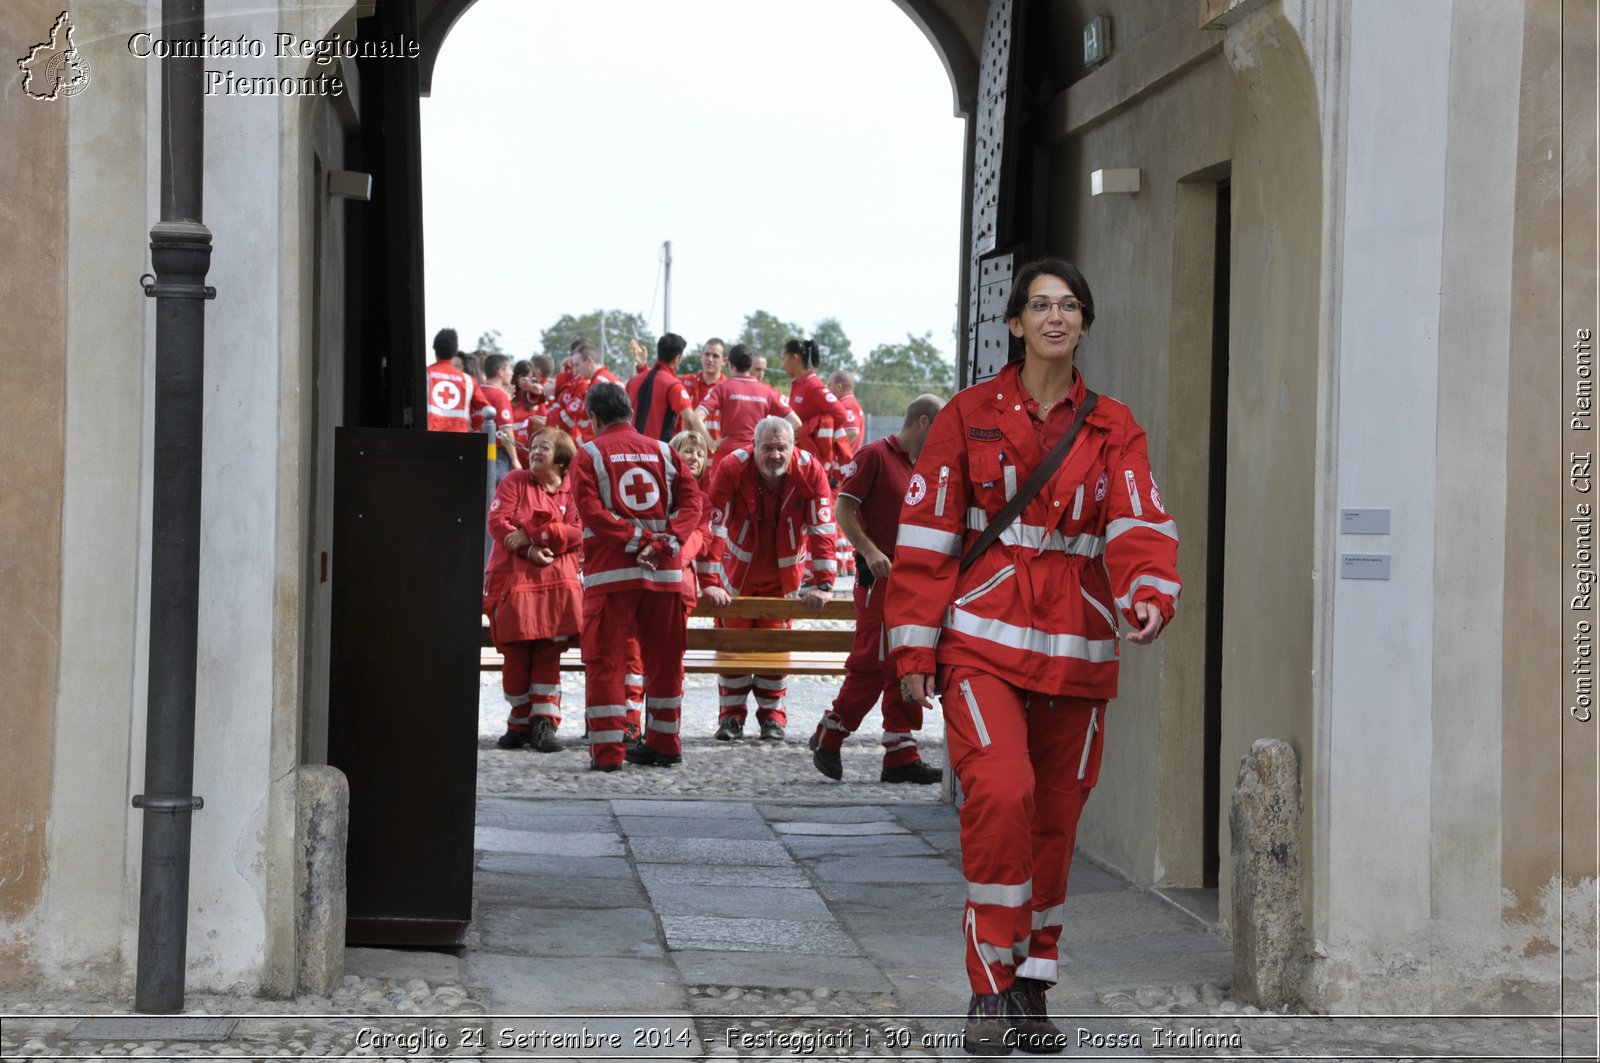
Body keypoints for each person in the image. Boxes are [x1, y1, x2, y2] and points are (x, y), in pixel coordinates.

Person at [886, 258, 1181, 1054]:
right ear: (1014, 323)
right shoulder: (966, 414)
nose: (1056, 317)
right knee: (1002, 793)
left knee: (1054, 821)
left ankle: (1031, 981)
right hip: (980, 640)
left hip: (1078, 647)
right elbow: (925, 538)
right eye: (1040, 305)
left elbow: (1137, 520)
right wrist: (915, 642)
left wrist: (1149, 590)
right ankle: (987, 980)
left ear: (1084, 323)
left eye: (1071, 306)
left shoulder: (1114, 425)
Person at [809, 394, 946, 785]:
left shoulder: (921, 467)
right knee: (873, 663)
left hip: (911, 584)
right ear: (923, 422)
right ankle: (830, 732)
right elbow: (843, 509)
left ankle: (901, 754)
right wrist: (869, 551)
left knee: (907, 662)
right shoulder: (873, 456)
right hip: (879, 582)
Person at [569, 382, 703, 771]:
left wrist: (636, 538)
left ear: (595, 417)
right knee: (665, 663)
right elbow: (693, 503)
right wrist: (665, 543)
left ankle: (609, 753)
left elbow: (592, 512)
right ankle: (664, 744)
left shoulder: (588, 455)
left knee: (606, 662)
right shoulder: (666, 452)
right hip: (664, 579)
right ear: (630, 411)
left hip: (611, 578)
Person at [699, 416, 837, 741]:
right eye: (768, 448)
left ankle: (772, 718)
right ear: (754, 447)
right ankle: (730, 718)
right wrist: (708, 582)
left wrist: (825, 582)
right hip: (736, 579)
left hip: (783, 582)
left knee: (775, 652)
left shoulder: (811, 471)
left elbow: (823, 530)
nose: (775, 455)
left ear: (793, 447)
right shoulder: (732, 467)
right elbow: (713, 526)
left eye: (781, 448)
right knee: (732, 649)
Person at [484, 426, 582, 753]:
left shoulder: (574, 489)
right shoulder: (515, 481)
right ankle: (519, 720)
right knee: (515, 654)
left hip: (556, 586)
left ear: (562, 459)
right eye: (534, 446)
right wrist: (528, 550)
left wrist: (533, 536)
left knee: (547, 651)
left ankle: (543, 723)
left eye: (544, 448)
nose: (535, 451)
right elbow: (498, 522)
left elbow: (578, 531)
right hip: (513, 581)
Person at [696, 344, 801, 467]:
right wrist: (771, 441)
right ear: (750, 365)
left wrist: (712, 444)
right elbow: (796, 423)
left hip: (728, 456)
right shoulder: (767, 391)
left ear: (730, 365)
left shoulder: (721, 389)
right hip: (755, 456)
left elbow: (696, 417)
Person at [626, 332, 711, 443]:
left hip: (630, 449)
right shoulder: (674, 385)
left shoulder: (633, 381)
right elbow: (691, 420)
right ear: (677, 358)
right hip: (657, 453)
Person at [779, 338, 848, 470]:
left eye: (783, 359)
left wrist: (814, 432)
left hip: (814, 463)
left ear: (794, 358)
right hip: (800, 457)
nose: (782, 364)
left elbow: (841, 414)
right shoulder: (798, 384)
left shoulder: (813, 385)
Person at [425, 327, 495, 432]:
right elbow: (486, 410)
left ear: (435, 349)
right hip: (460, 440)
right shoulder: (468, 381)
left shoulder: (425, 374)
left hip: (429, 437)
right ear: (454, 352)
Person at [557, 341, 623, 445]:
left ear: (589, 361)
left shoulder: (599, 384)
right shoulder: (604, 379)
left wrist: (576, 448)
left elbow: (597, 427)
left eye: (577, 365)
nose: (575, 370)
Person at [827, 368, 865, 472]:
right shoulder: (850, 403)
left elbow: (852, 431)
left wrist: (832, 451)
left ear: (839, 387)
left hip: (842, 467)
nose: (827, 388)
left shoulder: (847, 404)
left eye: (829, 385)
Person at [686, 338, 728, 410]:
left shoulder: (728, 388)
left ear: (724, 361)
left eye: (715, 356)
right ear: (701, 356)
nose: (710, 359)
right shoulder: (684, 382)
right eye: (707, 354)